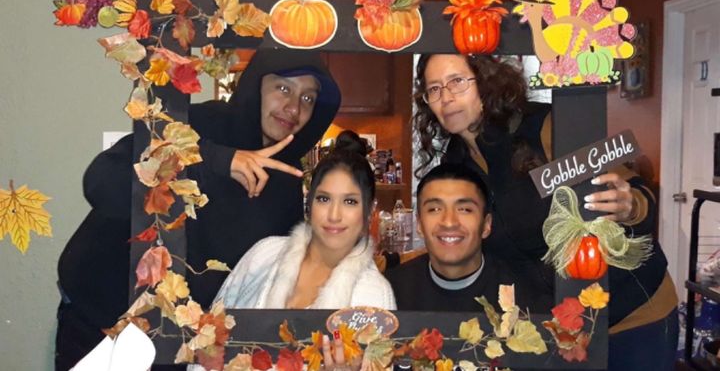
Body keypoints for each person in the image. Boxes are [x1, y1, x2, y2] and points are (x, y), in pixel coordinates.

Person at [55, 49, 342, 370]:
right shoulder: (197, 123)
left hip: (180, 347)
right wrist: (218, 161)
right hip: (102, 324)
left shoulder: (285, 178)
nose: (294, 108)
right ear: (255, 86)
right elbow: (101, 183)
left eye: (308, 98)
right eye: (284, 88)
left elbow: (270, 272)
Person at [412, 53, 677, 369]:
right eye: (434, 89)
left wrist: (630, 204)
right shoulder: (456, 165)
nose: (446, 97)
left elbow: (637, 194)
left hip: (633, 315)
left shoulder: (546, 126)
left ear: (484, 82)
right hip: (560, 330)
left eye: (457, 81)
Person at [214, 135, 396, 310]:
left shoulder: (374, 294)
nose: (334, 215)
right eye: (324, 199)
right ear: (309, 202)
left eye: (350, 201)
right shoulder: (264, 253)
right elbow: (212, 323)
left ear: (369, 211)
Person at [386, 163, 553, 313]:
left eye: (464, 209)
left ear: (486, 225)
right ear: (419, 225)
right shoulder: (390, 293)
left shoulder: (527, 300)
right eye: (435, 209)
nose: (449, 222)